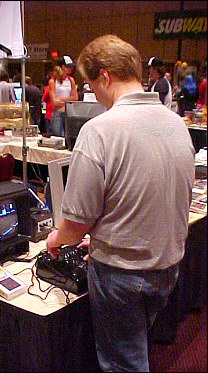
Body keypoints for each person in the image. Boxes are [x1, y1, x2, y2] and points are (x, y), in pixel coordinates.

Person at [46, 34, 195, 372]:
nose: (93, 95)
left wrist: (56, 240)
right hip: (168, 268)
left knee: (123, 364)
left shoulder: (99, 130)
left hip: (122, 275)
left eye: (91, 85)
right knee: (136, 348)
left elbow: (75, 222)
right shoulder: (176, 124)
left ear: (105, 77)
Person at [49, 56, 78, 137]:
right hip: (58, 112)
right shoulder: (53, 81)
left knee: (69, 136)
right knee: (58, 136)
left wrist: (60, 99)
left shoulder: (71, 80)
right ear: (63, 67)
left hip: (68, 112)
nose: (71, 68)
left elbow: (75, 98)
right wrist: (68, 100)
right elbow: (54, 102)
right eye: (69, 66)